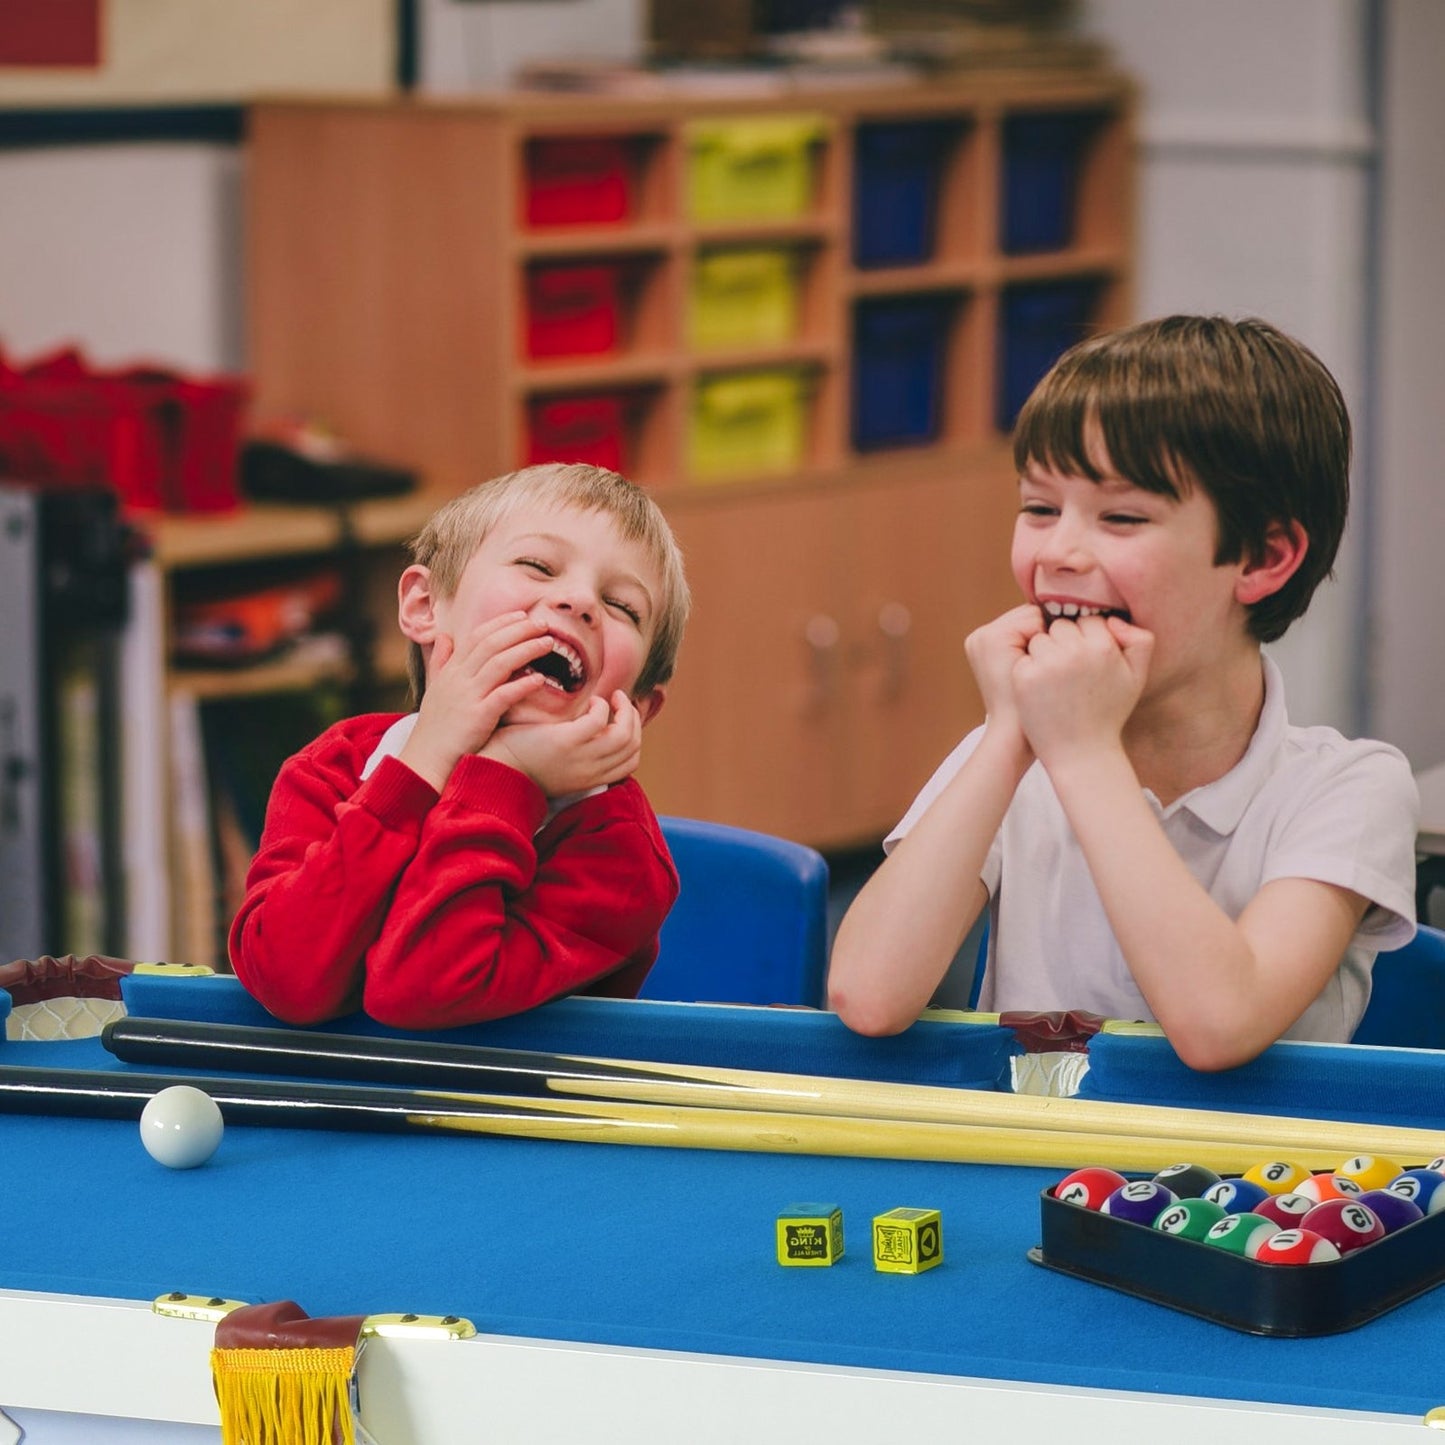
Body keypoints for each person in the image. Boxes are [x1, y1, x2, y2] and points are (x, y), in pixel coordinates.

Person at [827, 316, 1418, 1070]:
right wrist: (1008, 733)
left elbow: (1218, 1026)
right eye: (1038, 508)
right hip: (1038, 1170)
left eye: (1122, 517)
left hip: (1249, 1186)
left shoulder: (1349, 787)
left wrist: (1079, 750)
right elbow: (868, 995)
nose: (1058, 553)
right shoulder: (1018, 750)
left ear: (1263, 557)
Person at [229, 462, 690, 1029]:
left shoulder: (621, 855)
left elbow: (420, 993)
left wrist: (505, 776)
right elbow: (287, 980)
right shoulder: (336, 766)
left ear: (639, 706)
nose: (579, 601)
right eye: (538, 566)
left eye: (622, 607)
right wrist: (421, 765)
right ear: (425, 607)